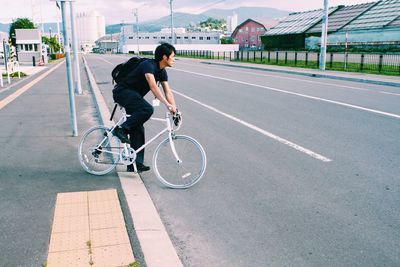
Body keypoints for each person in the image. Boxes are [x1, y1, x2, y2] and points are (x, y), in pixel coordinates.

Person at [112, 43, 177, 172]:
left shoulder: (162, 72)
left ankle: (135, 163)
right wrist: (167, 104)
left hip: (133, 97)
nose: (174, 59)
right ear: (165, 57)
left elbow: (168, 91)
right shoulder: (148, 65)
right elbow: (153, 86)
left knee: (138, 128)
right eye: (173, 56)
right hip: (122, 92)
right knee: (147, 109)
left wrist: (175, 109)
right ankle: (121, 129)